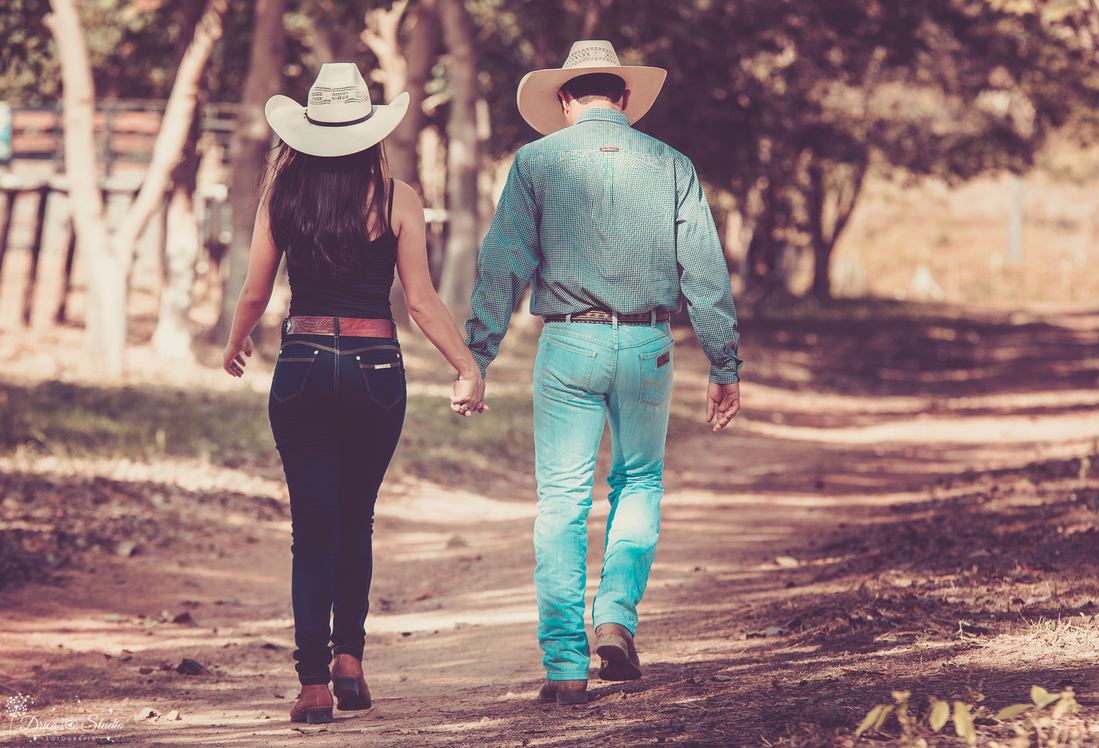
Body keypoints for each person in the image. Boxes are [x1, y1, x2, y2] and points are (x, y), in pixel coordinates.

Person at [463, 40, 742, 705]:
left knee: (563, 500)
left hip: (569, 343)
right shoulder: (672, 164)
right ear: (625, 98)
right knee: (639, 480)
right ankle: (615, 618)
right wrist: (724, 361)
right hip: (648, 344)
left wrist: (477, 355)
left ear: (565, 99)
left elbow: (503, 262)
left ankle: (565, 666)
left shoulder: (535, 161)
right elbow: (704, 271)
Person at [222, 63, 487, 724]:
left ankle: (313, 685)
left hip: (303, 364)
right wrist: (466, 367)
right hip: (375, 369)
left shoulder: (282, 196)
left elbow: (254, 291)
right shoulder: (398, 198)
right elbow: (420, 302)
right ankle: (350, 662)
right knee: (355, 519)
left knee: (312, 527)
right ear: (369, 132)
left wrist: (236, 341)